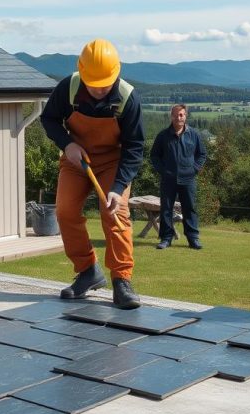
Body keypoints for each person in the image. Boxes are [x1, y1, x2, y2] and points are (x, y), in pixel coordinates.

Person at [40, 39, 144, 309]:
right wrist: (67, 144)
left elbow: (134, 148)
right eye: (93, 84)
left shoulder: (128, 98)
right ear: (82, 73)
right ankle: (87, 271)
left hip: (113, 162)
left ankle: (122, 280)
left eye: (104, 84)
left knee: (115, 212)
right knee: (64, 211)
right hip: (76, 159)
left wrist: (118, 187)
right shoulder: (69, 88)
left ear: (116, 73)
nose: (99, 90)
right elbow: (49, 119)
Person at [150, 104, 207, 249]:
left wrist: (194, 169)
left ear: (185, 116)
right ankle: (166, 238)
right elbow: (154, 156)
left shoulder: (194, 134)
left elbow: (202, 155)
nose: (178, 117)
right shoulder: (163, 136)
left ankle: (193, 238)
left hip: (188, 179)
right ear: (171, 116)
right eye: (175, 114)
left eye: (181, 114)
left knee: (190, 208)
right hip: (168, 179)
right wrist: (163, 171)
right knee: (166, 209)